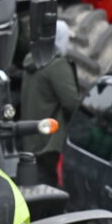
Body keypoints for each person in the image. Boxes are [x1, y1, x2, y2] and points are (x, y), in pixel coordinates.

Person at [20, 20, 81, 186]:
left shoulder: (31, 60)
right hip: (51, 141)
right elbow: (71, 103)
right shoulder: (56, 65)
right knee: (53, 184)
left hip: (34, 136)